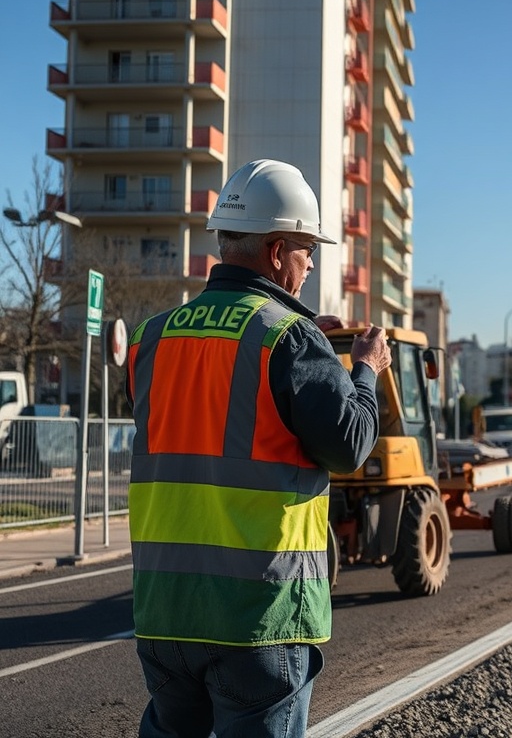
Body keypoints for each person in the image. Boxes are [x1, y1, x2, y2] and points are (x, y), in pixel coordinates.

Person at [125, 159, 391, 738]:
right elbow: (348, 445)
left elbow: (203, 407)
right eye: (305, 250)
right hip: (257, 616)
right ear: (276, 252)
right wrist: (364, 370)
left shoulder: (152, 337)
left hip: (165, 612)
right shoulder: (288, 338)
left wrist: (303, 339)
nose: (310, 263)